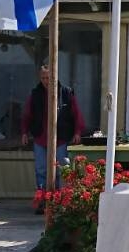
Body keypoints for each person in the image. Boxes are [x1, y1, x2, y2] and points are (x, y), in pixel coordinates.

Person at [21, 64, 83, 210]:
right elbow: (27, 115)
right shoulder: (35, 94)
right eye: (43, 78)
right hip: (40, 137)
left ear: (54, 77)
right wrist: (24, 132)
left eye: (48, 78)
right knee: (41, 170)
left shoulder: (66, 92)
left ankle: (62, 201)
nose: (45, 81)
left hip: (61, 137)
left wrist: (77, 132)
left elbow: (76, 114)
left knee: (63, 169)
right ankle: (43, 200)